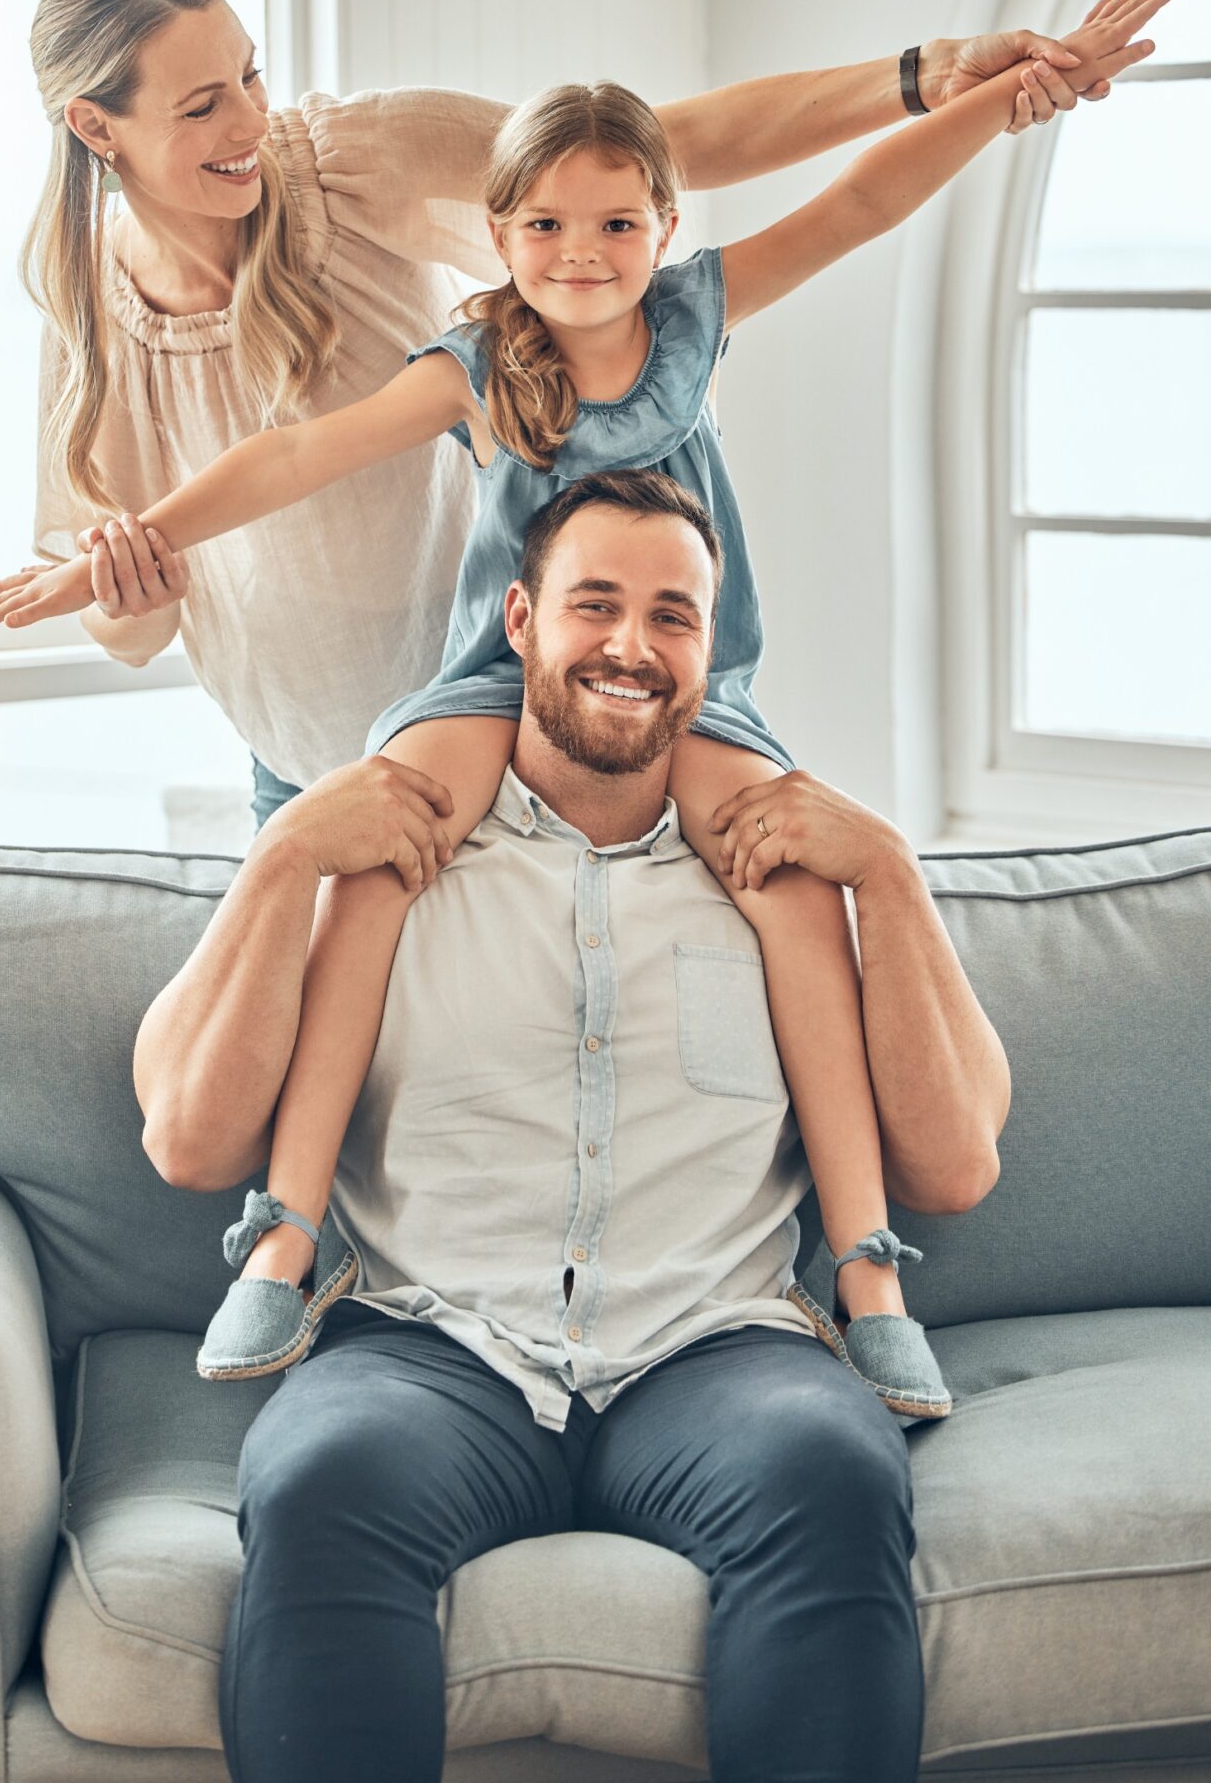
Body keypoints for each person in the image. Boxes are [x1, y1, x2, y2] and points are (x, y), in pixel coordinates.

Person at [0, 0, 1167, 1411]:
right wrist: (116, 554)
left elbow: (856, 204)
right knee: (374, 859)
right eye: (544, 227)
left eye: (614, 225)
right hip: (492, 680)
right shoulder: (479, 359)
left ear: (661, 227)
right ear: (497, 238)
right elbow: (297, 456)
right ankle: (282, 1239)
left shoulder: (688, 314)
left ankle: (866, 1274)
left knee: (792, 879)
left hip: (685, 690)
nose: (581, 254)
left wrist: (995, 98)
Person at [132, 474, 1011, 1782]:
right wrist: (281, 855)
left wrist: (886, 868)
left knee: (836, 1469)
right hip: (433, 1349)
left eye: (672, 617)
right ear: (519, 621)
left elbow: (954, 1164)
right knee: (317, 1475)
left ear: (709, 650)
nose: (630, 647)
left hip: (713, 1352)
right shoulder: (400, 852)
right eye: (594, 605)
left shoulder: (771, 879)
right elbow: (188, 1141)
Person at [0, 0, 1139, 834]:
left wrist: (937, 81)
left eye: (250, 74)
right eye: (201, 106)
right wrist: (117, 580)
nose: (250, 119)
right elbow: (163, 591)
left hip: (513, 718)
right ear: (96, 127)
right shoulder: (94, 318)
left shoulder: (346, 167)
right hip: (302, 762)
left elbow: (661, 154)